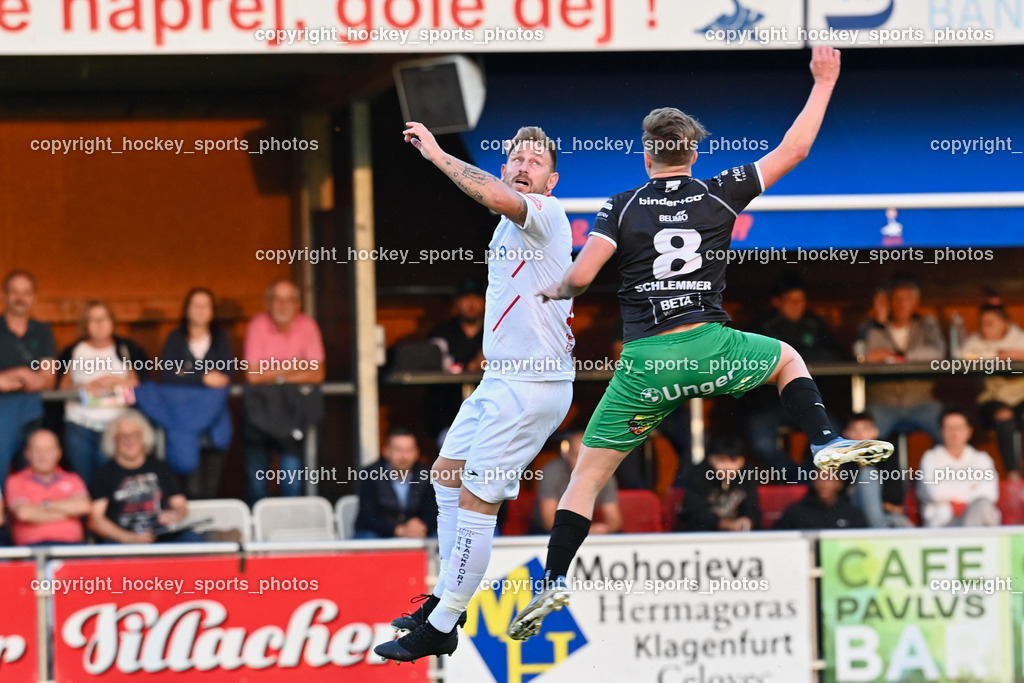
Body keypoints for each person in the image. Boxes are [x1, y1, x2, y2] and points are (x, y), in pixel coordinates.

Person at [507, 47, 894, 642]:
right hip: (711, 348)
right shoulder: (720, 194)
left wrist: (554, 291)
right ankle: (823, 440)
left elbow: (582, 277)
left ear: (646, 153)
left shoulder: (622, 204)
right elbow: (796, 150)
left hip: (644, 367)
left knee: (585, 479)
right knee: (788, 358)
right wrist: (823, 82)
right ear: (693, 153)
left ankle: (554, 579)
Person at [375, 123, 575, 663]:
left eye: (536, 160)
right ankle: (446, 595)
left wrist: (438, 155)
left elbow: (489, 192)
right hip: (501, 379)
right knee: (446, 474)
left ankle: (442, 624)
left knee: (475, 499)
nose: (523, 165)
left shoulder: (546, 214)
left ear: (551, 181)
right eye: (515, 157)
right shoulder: (505, 229)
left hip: (533, 386)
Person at [744, 273, 844, 478]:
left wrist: (793, 359)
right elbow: (748, 358)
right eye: (791, 301)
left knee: (834, 433)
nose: (797, 305)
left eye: (801, 300)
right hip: (768, 403)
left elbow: (835, 355)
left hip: (807, 403)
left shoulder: (814, 323)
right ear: (776, 302)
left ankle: (809, 477)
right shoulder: (762, 326)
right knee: (761, 442)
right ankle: (794, 477)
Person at [242, 280, 326, 503]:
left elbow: (317, 373)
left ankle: (292, 535)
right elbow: (252, 375)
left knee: (292, 482)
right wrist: (294, 367)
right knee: (258, 483)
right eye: (277, 300)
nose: (283, 305)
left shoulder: (307, 326)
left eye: (288, 300)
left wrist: (273, 373)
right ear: (268, 303)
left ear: (298, 304)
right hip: (260, 412)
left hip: (293, 414)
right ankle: (256, 538)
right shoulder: (257, 325)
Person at [155, 288, 235, 498]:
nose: (200, 310)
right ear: (186, 310)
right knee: (191, 485)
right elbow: (168, 374)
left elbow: (225, 375)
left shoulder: (220, 338)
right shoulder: (175, 338)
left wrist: (187, 372)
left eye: (205, 305)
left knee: (211, 485)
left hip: (214, 418)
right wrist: (203, 377)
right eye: (195, 305)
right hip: (184, 419)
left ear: (212, 311)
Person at [58, 301, 147, 484]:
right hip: (80, 424)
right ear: (85, 324)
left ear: (112, 322)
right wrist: (82, 388)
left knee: (111, 483)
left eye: (103, 318)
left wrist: (114, 381)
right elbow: (61, 388)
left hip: (116, 426)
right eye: (93, 319)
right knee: (83, 481)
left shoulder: (126, 348)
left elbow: (140, 384)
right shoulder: (75, 350)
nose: (99, 324)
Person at [87, 410, 202, 543]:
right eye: (122, 436)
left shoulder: (160, 467)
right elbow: (95, 521)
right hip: (122, 541)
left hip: (161, 537)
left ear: (144, 437)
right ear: (113, 440)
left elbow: (180, 505)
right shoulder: (103, 473)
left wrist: (176, 515)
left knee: (192, 538)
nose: (129, 440)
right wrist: (129, 538)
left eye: (134, 434)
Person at [863, 275, 946, 442]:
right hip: (882, 404)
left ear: (916, 303)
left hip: (920, 402)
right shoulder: (870, 326)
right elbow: (867, 355)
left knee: (949, 428)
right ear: (889, 301)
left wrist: (899, 356)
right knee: (864, 438)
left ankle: (942, 467)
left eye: (907, 299)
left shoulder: (926, 323)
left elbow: (937, 352)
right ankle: (868, 470)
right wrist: (879, 323)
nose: (902, 304)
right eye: (897, 298)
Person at [0, 271, 57, 491]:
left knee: (36, 471)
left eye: (25, 293)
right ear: (4, 295)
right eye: (14, 292)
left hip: (33, 410)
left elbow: (48, 378)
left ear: (34, 297)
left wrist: (16, 376)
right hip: (2, 411)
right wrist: (22, 376)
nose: (20, 298)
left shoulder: (42, 331)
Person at [958, 303, 1024, 478]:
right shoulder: (975, 341)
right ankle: (1012, 474)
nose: (984, 328)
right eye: (982, 323)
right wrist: (996, 356)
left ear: (1005, 324)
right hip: (991, 398)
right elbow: (962, 356)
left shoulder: (1019, 338)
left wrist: (1015, 355)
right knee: (1004, 415)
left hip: (1020, 396)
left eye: (990, 323)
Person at [422, 277, 486, 448]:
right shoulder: (443, 332)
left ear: (485, 301)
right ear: (456, 302)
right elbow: (437, 364)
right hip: (449, 414)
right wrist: (471, 366)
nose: (471, 304)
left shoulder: (494, 330)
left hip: (488, 412)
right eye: (465, 298)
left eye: (476, 298)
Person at [5, 429, 90, 546]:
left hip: (73, 548)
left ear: (59, 453)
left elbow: (83, 507)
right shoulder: (15, 481)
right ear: (27, 453)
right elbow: (24, 514)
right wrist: (67, 513)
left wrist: (44, 505)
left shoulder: (73, 479)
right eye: (37, 450)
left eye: (48, 450)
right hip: (32, 551)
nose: (43, 455)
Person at [918, 408, 1000, 527]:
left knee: (982, 505)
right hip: (943, 524)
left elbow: (989, 493)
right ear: (941, 431)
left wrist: (956, 498)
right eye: (949, 428)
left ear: (969, 431)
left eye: (959, 428)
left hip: (978, 518)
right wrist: (971, 486)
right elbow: (935, 492)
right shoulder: (930, 458)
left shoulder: (982, 459)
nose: (954, 433)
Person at [354, 427, 438, 539]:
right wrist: (398, 530)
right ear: (386, 451)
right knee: (367, 537)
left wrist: (421, 526)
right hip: (381, 535)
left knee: (441, 538)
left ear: (417, 453)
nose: (404, 456)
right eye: (398, 450)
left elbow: (434, 511)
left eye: (409, 450)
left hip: (418, 534)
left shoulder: (427, 474)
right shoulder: (370, 473)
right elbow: (367, 516)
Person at [532, 432, 622, 534]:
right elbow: (549, 523)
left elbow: (615, 522)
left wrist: (598, 530)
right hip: (547, 532)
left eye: (588, 456)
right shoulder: (552, 472)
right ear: (567, 456)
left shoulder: (605, 474)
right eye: (577, 455)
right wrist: (589, 531)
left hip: (584, 529)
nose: (583, 462)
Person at [845, 413, 914, 528]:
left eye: (865, 429)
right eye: (854, 429)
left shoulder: (887, 457)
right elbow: (840, 499)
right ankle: (878, 530)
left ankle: (878, 527)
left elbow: (896, 496)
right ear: (846, 434)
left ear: (875, 432)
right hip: (853, 517)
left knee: (904, 524)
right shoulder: (839, 459)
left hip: (884, 516)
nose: (860, 435)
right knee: (868, 474)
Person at [679, 435, 759, 532]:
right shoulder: (698, 473)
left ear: (742, 461)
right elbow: (695, 513)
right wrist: (727, 525)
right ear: (711, 459)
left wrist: (746, 520)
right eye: (721, 460)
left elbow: (751, 506)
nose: (727, 466)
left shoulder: (747, 473)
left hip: (738, 534)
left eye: (733, 460)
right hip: (704, 535)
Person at [774, 468, 867, 530]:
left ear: (840, 484)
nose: (824, 484)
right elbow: (778, 537)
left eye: (829, 479)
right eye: (820, 479)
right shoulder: (796, 512)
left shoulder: (852, 513)